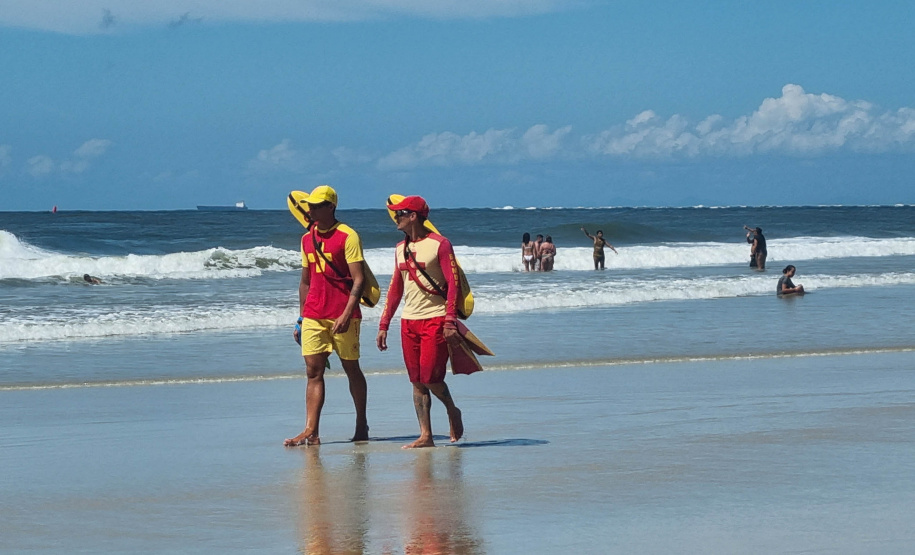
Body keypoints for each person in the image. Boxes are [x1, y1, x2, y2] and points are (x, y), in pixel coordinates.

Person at [376, 195, 464, 449]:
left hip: (435, 319)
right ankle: (426, 435)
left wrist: (450, 320)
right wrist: (384, 324)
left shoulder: (440, 245)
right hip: (409, 321)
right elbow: (395, 289)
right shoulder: (399, 248)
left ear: (413, 216)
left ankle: (452, 409)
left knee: (430, 377)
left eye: (400, 213)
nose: (396, 217)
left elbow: (453, 284)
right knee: (416, 379)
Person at [285, 185, 369, 447]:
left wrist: (346, 314)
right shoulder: (306, 239)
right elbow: (305, 282)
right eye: (309, 205)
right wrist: (301, 318)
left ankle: (361, 422)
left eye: (317, 205)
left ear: (330, 207)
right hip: (314, 313)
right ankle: (311, 431)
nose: (310, 210)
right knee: (313, 371)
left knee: (351, 368)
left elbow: (358, 280)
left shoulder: (348, 236)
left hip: (343, 313)